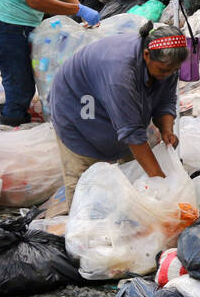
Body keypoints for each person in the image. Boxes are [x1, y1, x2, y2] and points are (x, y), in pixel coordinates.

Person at [47, 21, 188, 211]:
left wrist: (166, 129)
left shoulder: (166, 64)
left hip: (114, 106)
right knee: (86, 184)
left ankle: (128, 219)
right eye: (164, 70)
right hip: (79, 110)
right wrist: (162, 183)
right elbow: (132, 134)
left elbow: (166, 99)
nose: (169, 74)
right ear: (146, 55)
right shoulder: (120, 72)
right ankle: (82, 235)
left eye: (174, 71)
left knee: (134, 179)